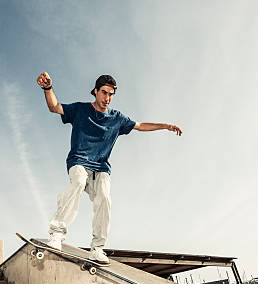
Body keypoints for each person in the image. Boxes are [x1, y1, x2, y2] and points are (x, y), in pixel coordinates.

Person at [37, 72, 182, 265]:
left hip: (101, 168)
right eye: (104, 93)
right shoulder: (80, 110)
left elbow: (139, 125)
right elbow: (54, 107)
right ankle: (56, 235)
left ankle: (97, 248)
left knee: (104, 198)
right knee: (79, 182)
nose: (107, 98)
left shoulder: (117, 118)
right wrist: (48, 88)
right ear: (95, 91)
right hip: (78, 161)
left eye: (111, 94)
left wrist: (164, 126)